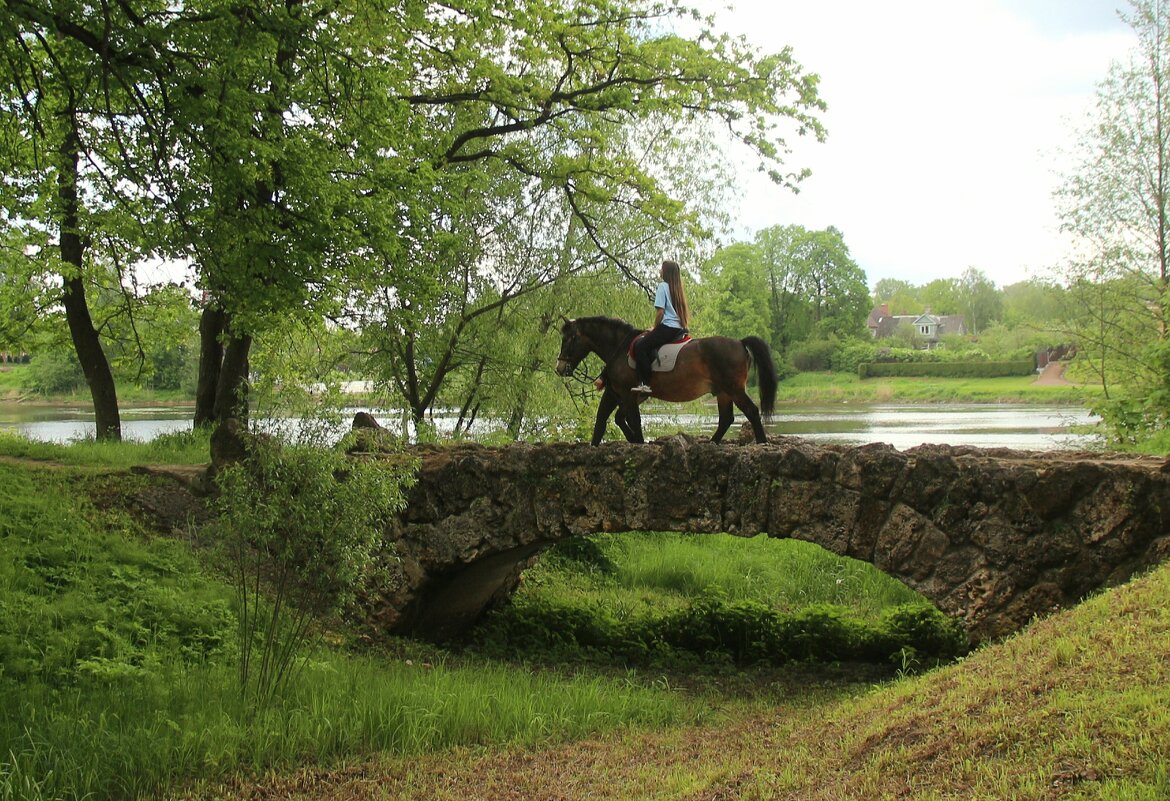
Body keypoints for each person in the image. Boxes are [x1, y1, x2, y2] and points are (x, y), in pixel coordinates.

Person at [632, 259, 689, 393]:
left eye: (661, 269)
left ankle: (646, 383)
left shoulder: (663, 286)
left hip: (667, 327)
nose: (660, 271)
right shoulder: (677, 288)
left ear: (666, 272)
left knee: (640, 346)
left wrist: (655, 327)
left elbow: (660, 312)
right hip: (679, 328)